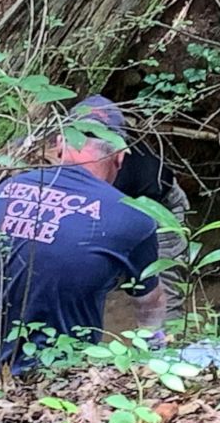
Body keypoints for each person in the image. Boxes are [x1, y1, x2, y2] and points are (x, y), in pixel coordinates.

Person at [0, 102, 166, 376]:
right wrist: (153, 358)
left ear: (59, 144)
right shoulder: (133, 214)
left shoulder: (7, 189)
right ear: (119, 157)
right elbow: (150, 303)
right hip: (60, 377)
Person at [78, 95, 190, 322]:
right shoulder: (52, 147)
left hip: (158, 207)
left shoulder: (120, 162)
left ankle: (167, 350)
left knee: (163, 293)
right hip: (112, 207)